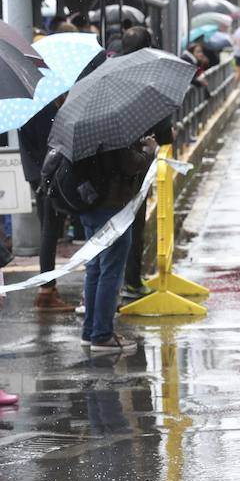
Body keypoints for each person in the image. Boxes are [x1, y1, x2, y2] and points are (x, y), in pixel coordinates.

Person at [81, 136, 157, 353]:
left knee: (94, 269)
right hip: (112, 207)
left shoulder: (82, 129)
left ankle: (89, 331)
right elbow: (130, 164)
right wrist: (149, 151)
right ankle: (102, 335)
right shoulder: (113, 132)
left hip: (88, 205)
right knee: (111, 271)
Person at [119, 27, 175, 301]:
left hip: (105, 165)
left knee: (106, 229)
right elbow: (164, 132)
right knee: (133, 225)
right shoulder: (150, 78)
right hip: (133, 164)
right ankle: (130, 281)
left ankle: (109, 285)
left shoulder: (109, 74)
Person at [18, 101, 76, 312]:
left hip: (36, 172)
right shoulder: (43, 107)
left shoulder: (25, 105)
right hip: (47, 174)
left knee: (48, 229)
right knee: (49, 231)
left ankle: (48, 288)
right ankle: (46, 291)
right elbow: (50, 142)